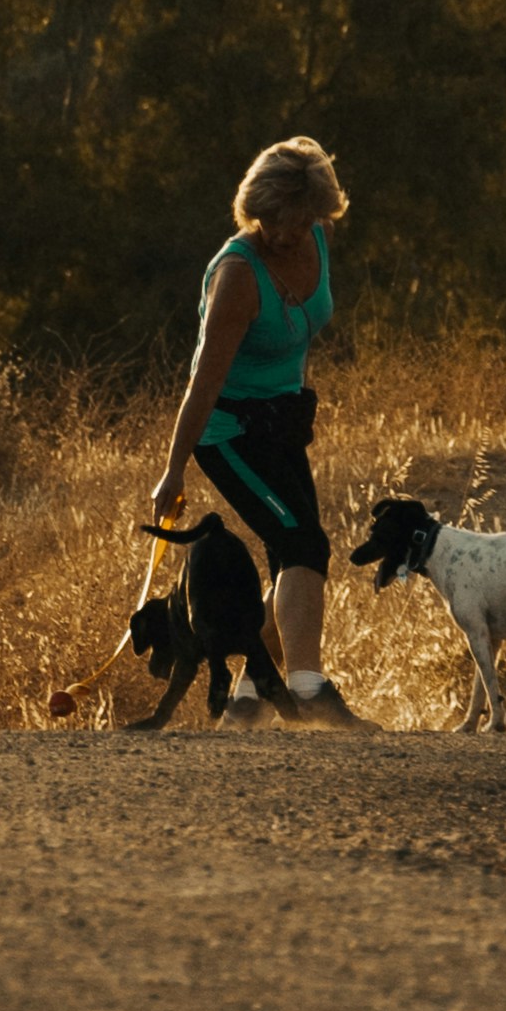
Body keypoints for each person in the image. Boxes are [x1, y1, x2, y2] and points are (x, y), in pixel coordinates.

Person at [149, 134, 357, 722]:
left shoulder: (317, 234)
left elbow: (296, 331)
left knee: (295, 552)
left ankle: (246, 699)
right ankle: (309, 689)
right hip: (229, 434)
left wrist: (290, 405)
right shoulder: (238, 275)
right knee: (301, 545)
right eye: (268, 221)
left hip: (282, 425)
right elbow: (202, 383)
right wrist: (172, 471)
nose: (281, 235)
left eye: (294, 222)